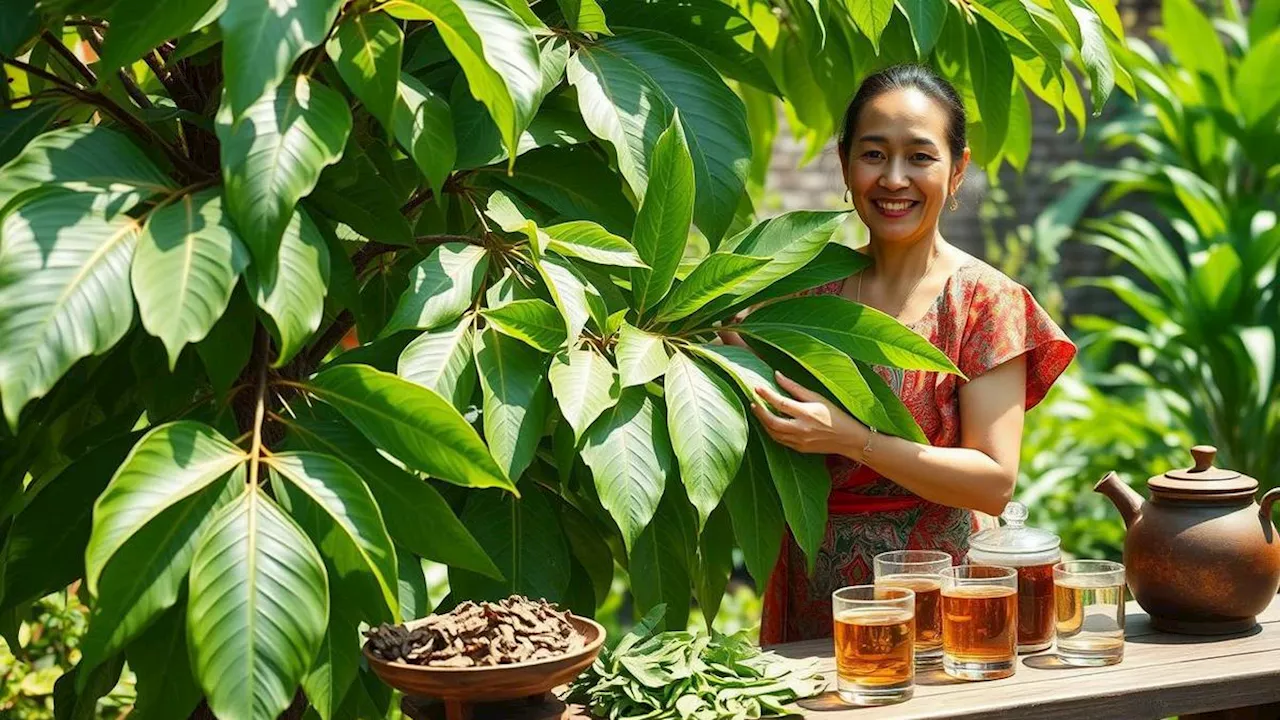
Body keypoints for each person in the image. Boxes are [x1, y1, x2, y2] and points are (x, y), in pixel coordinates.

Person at [749, 64, 1076, 644]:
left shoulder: (984, 302)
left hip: (941, 594)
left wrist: (852, 439)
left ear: (958, 171)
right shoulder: (802, 291)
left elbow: (992, 481)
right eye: (874, 154)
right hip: (813, 585)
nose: (894, 178)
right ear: (846, 164)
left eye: (920, 157)